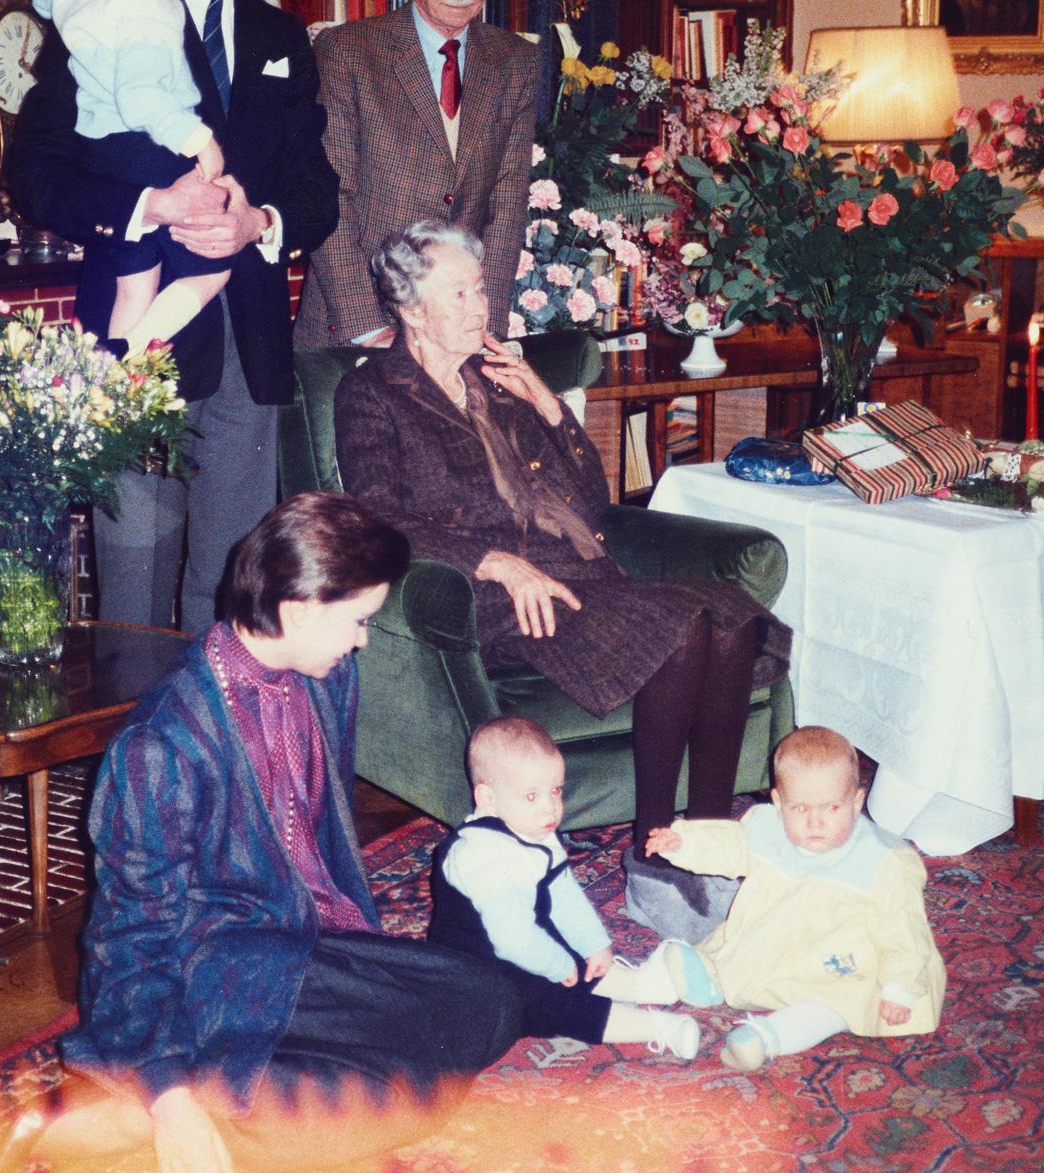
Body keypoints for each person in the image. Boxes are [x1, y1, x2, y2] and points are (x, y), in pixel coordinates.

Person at [15, 492, 521, 1173]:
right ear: (300, 609)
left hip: (303, 940)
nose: (362, 640)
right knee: (406, 1099)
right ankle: (161, 1095)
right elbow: (128, 938)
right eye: (359, 621)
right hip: (213, 969)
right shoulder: (161, 747)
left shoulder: (328, 677)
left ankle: (163, 1095)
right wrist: (171, 1096)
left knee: (490, 999)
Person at [333, 221, 791, 943]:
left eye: (480, 286)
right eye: (460, 290)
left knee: (727, 616)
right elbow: (376, 516)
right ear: (413, 307)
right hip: (493, 598)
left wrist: (549, 405)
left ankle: (701, 839)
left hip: (577, 571)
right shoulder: (372, 394)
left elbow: (588, 499)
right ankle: (652, 848)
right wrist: (494, 562)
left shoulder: (500, 377)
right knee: (679, 633)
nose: (479, 303)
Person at [10, 0, 339, 635]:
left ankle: (213, 759)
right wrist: (145, 205)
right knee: (133, 594)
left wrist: (256, 221)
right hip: (140, 347)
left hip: (248, 344)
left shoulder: (280, 35)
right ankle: (132, 759)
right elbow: (35, 172)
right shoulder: (103, 6)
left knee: (234, 598)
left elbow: (316, 191)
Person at [294, 0, 539, 349]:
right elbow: (330, 199)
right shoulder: (348, 52)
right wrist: (369, 328)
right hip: (356, 326)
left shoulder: (515, 61)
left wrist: (485, 327)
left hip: (457, 331)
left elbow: (506, 207)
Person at [644, 726, 946, 1073]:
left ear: (856, 802)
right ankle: (695, 977)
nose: (815, 822)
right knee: (729, 950)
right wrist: (685, 843)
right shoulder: (767, 826)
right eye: (800, 808)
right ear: (777, 803)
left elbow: (904, 931)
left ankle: (767, 1038)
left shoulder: (885, 862)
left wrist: (900, 986)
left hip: (845, 964)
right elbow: (730, 843)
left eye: (832, 807)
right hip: (780, 942)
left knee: (834, 1004)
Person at [33, 0, 231, 355]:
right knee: (216, 268)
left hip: (103, 154)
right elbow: (141, 98)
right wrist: (199, 140)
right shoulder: (145, 5)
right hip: (149, 148)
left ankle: (117, 370)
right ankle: (136, 357)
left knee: (135, 281)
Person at [429, 716, 699, 1057]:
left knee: (576, 955)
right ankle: (657, 1028)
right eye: (531, 796)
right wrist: (557, 965)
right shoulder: (485, 858)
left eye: (555, 791)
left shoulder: (534, 829)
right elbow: (511, 939)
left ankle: (641, 986)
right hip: (481, 971)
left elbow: (564, 895)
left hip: (528, 938)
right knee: (554, 1001)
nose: (550, 807)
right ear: (487, 798)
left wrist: (593, 945)